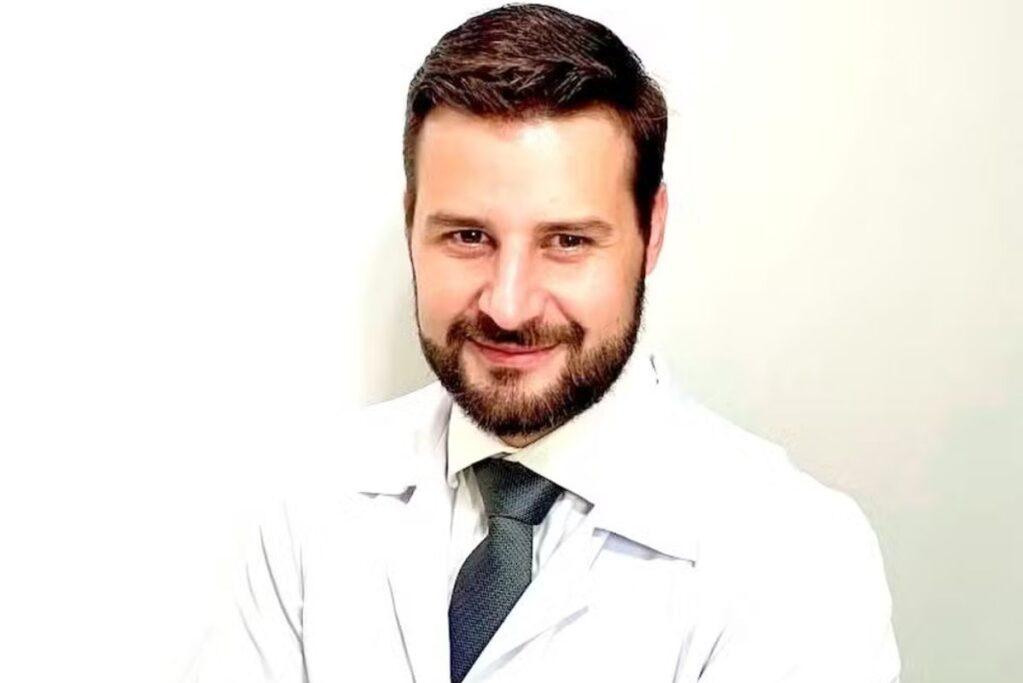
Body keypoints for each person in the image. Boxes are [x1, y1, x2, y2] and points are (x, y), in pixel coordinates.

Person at [188, 4, 901, 681]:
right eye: (468, 236)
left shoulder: (795, 554)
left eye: (567, 241)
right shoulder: (309, 500)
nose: (508, 305)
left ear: (651, 231)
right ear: (412, 224)